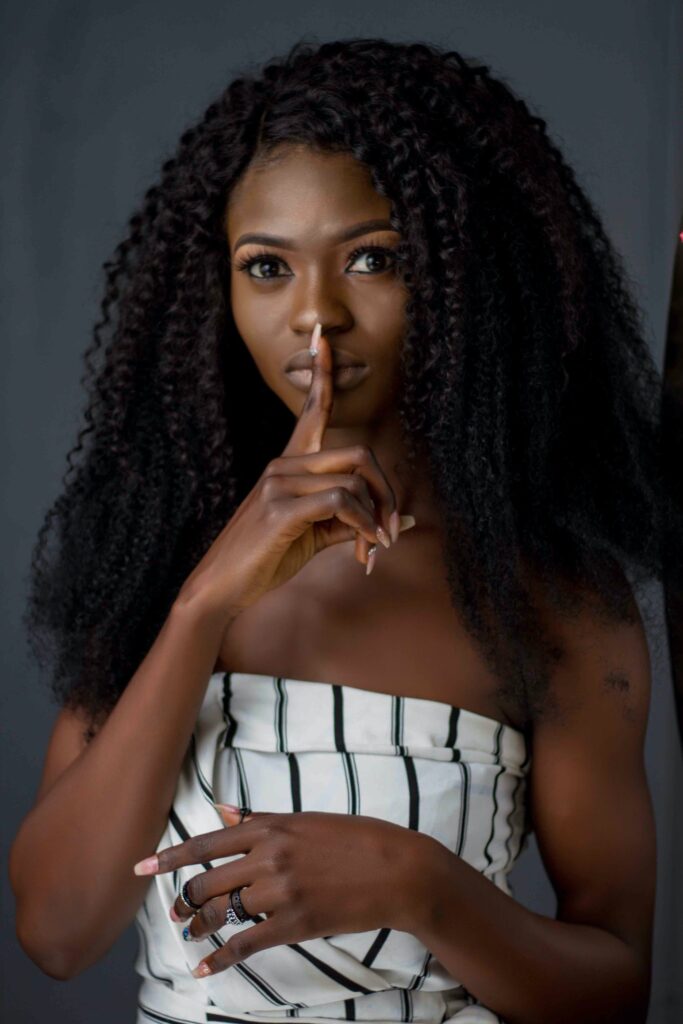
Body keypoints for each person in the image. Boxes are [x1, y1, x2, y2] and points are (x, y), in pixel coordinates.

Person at [10, 36, 678, 1024]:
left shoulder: (550, 596)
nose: (315, 316)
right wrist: (203, 605)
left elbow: (612, 993)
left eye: (374, 259)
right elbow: (57, 933)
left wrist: (415, 882)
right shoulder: (158, 557)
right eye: (266, 267)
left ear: (468, 274)